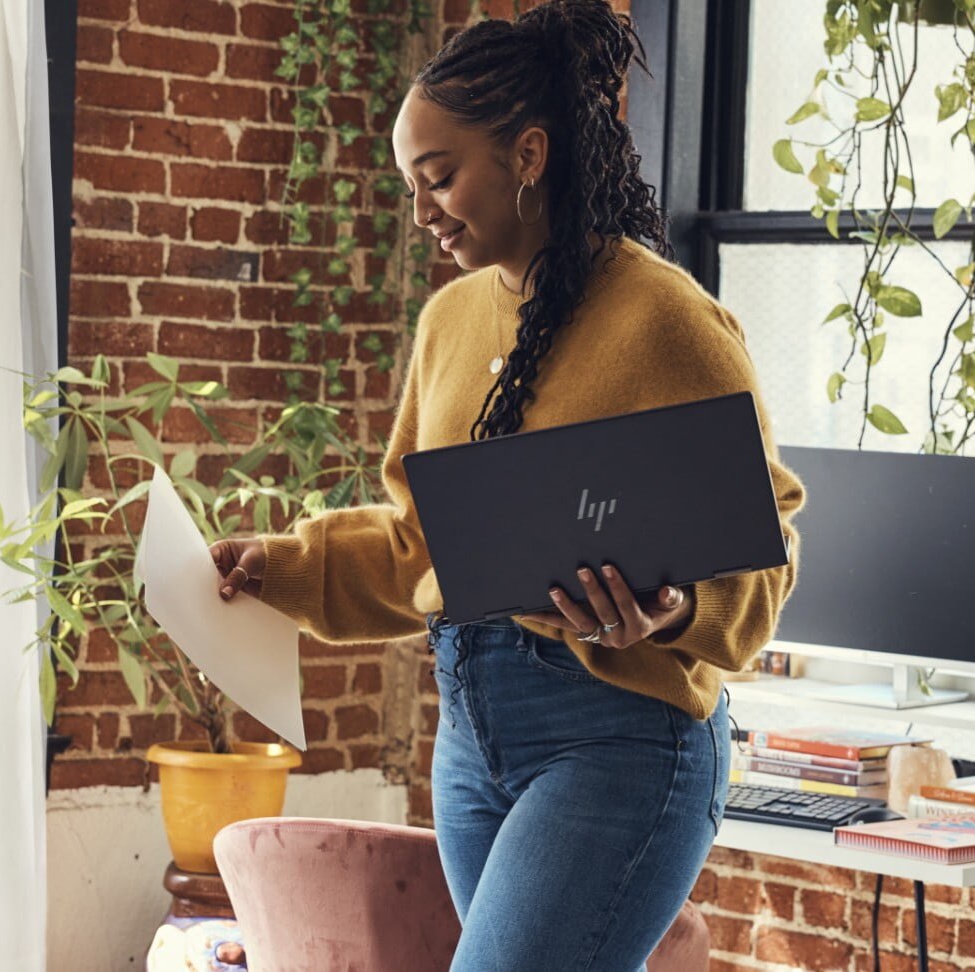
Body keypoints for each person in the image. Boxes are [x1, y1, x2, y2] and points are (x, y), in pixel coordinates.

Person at [208, 2, 805, 968]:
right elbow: (419, 547)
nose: (421, 214)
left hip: (617, 740)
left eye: (438, 178)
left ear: (528, 155)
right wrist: (274, 566)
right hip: (471, 742)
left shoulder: (668, 321)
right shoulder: (447, 323)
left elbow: (763, 539)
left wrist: (673, 609)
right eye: (409, 185)